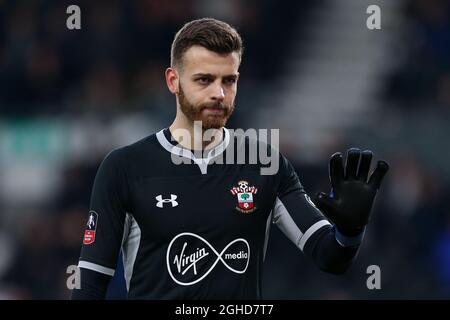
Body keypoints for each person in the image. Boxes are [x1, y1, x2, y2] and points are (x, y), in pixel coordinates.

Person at [72, 18, 389, 299]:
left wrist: (350, 232)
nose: (219, 93)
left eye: (229, 80)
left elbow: (328, 256)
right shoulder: (124, 168)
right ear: (173, 81)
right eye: (203, 80)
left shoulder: (264, 162)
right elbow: (90, 285)